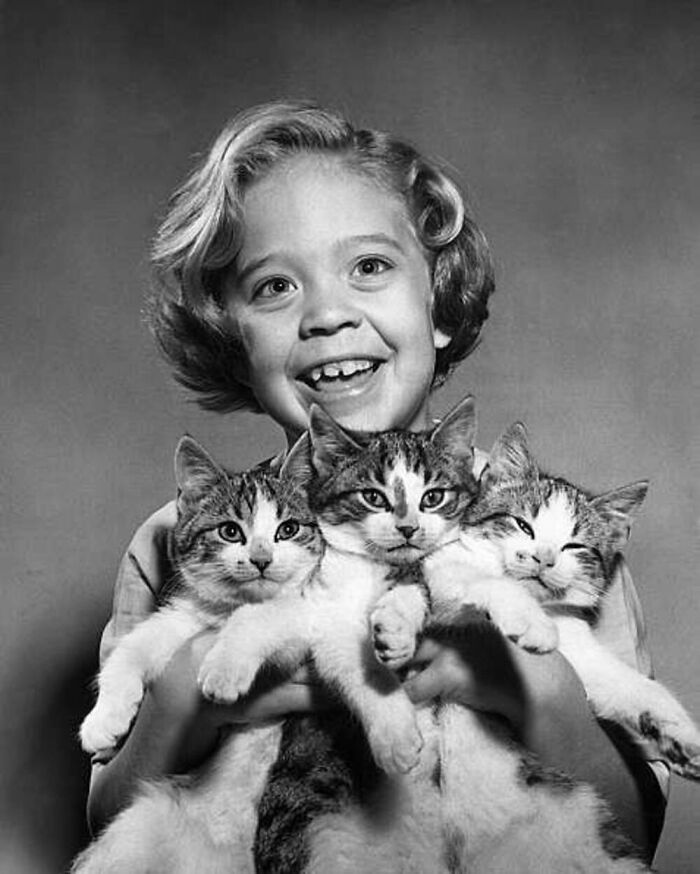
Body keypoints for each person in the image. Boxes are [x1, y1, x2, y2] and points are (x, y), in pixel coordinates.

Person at [85, 100, 667, 863]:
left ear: (440, 307)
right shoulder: (176, 538)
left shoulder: (548, 536)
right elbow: (109, 822)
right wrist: (180, 691)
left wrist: (524, 682)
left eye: (369, 267)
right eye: (273, 288)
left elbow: (633, 827)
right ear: (230, 339)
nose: (328, 314)